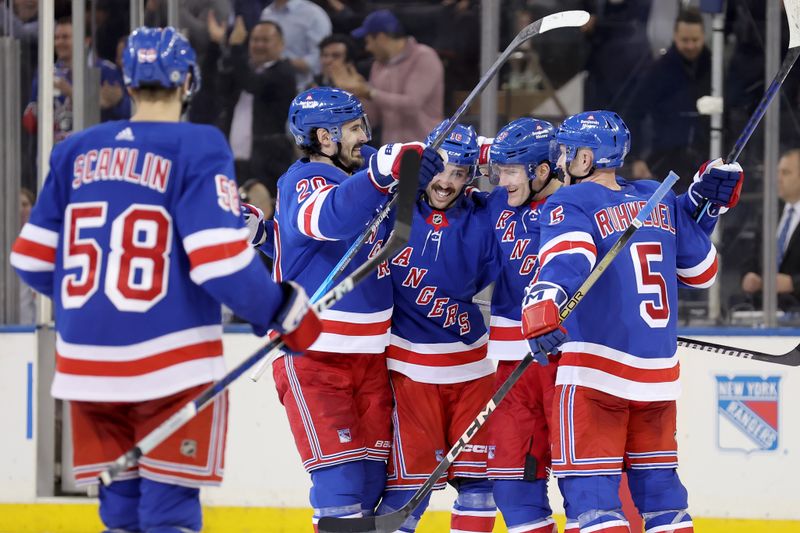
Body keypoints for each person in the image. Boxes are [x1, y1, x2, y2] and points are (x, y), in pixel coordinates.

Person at [9, 26, 322, 533]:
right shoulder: (197, 144)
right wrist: (283, 309)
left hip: (85, 366)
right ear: (189, 82)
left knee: (121, 511)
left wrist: (90, 310)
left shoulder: (73, 151)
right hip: (168, 367)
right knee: (167, 511)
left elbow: (30, 261)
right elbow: (218, 260)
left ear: (128, 84)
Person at [520, 110, 743, 533]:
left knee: (593, 504)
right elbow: (702, 273)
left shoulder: (571, 200)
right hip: (658, 380)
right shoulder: (655, 196)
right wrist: (702, 208)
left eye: (568, 152)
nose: (564, 160)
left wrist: (541, 301)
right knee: (663, 503)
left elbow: (567, 259)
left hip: (595, 376)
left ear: (586, 159)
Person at [257, 86, 443, 527]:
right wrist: (384, 170)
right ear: (324, 138)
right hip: (314, 359)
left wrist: (422, 166)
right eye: (354, 128)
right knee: (339, 486)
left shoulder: (362, 174)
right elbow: (331, 218)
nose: (365, 135)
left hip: (371, 359)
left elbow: (393, 174)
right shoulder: (302, 181)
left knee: (370, 486)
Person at [380, 121, 502, 533]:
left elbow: (531, 176)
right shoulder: (393, 204)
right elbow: (366, 164)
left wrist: (488, 153)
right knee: (408, 490)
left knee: (480, 487)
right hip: (410, 374)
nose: (447, 183)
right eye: (441, 168)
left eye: (459, 173)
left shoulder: (487, 214)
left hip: (473, 370)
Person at [481, 118, 574, 533]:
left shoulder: (579, 205)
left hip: (567, 361)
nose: (501, 181)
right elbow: (463, 151)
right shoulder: (500, 202)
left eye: (511, 171)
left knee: (587, 478)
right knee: (511, 482)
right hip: (510, 367)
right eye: (498, 171)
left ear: (541, 169)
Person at [624, 7, 711, 191]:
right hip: (666, 160)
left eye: (695, 40)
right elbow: (633, 112)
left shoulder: (714, 67)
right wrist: (637, 157)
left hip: (707, 158)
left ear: (704, 36)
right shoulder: (659, 70)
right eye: (685, 40)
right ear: (675, 36)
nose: (690, 46)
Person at [333, 9, 444, 144]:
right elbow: (373, 118)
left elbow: (412, 104)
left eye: (368, 41)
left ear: (381, 38)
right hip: (392, 153)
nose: (367, 47)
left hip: (425, 148)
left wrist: (370, 92)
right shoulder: (378, 66)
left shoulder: (424, 57)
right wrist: (356, 93)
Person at [216, 19, 297, 192]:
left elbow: (254, 85)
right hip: (233, 157)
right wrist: (219, 44)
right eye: (254, 40)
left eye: (265, 40)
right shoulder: (243, 69)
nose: (259, 45)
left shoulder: (284, 72)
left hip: (268, 159)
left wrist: (237, 47)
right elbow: (219, 88)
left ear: (281, 44)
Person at [22, 16, 130, 142]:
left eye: (65, 37)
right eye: (56, 38)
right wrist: (35, 113)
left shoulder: (106, 72)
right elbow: (31, 123)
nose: (59, 42)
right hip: (57, 152)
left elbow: (127, 114)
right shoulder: (46, 74)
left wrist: (118, 102)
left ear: (86, 41)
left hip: (94, 150)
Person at [741, 148, 800, 310]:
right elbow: (752, 256)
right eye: (778, 172)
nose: (778, 179)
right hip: (764, 310)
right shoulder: (770, 214)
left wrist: (792, 284)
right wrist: (749, 275)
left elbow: (788, 282)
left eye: (786, 173)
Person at [260, 0, 332, 90]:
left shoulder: (314, 15)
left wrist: (281, 62)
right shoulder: (266, 13)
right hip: (266, 86)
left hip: (302, 90)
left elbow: (319, 60)